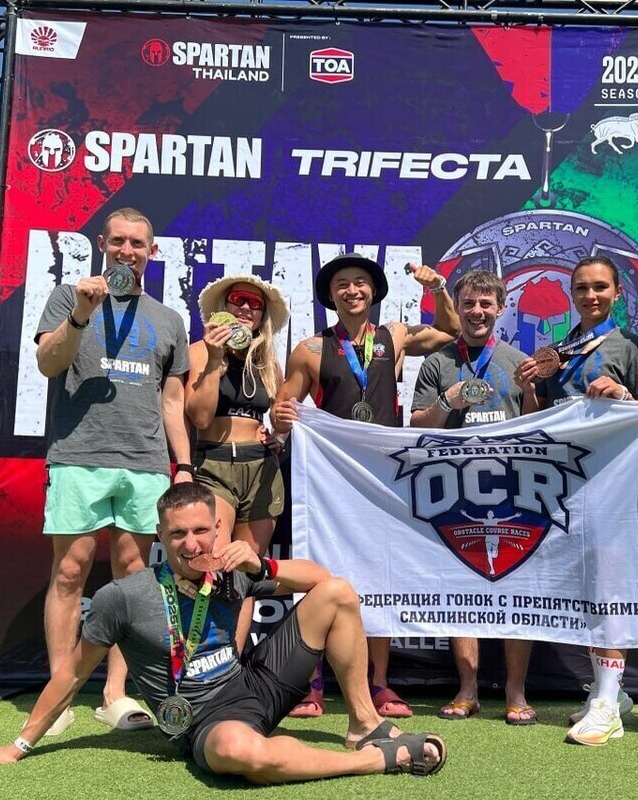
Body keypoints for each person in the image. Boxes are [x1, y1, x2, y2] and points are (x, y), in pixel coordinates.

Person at [0, 482, 447, 783]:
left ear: (216, 529)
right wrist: (18, 746)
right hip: (203, 719)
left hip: (257, 685)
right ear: (160, 536)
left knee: (338, 593)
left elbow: (324, 581)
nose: (191, 545)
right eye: (177, 534)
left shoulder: (233, 568)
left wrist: (262, 564)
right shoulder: (122, 597)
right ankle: (374, 761)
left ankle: (363, 725)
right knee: (236, 751)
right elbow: (72, 674)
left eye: (200, 531)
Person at [271, 253, 461, 719]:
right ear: (330, 295)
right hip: (328, 480)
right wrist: (281, 415)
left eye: (360, 282)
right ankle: (310, 683)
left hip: (382, 479)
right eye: (342, 284)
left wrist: (437, 287)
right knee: (317, 576)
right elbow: (282, 407)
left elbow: (451, 331)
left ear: (373, 292)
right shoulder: (310, 349)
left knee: (379, 577)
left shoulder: (394, 336)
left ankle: (378, 683)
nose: (352, 290)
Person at [33, 208, 192, 734]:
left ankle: (115, 694)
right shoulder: (69, 297)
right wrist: (81, 314)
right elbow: (48, 363)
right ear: (102, 244)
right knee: (70, 572)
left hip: (145, 461)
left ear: (152, 251)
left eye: (137, 244)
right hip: (79, 454)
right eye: (119, 241)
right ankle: (58, 697)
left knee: (132, 580)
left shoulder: (169, 319)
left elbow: (172, 402)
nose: (128, 251)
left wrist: (184, 465)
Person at [516, 255, 638, 746]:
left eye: (600, 287)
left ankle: (607, 703)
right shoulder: (558, 349)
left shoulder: (629, 344)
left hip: (614, 482)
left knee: (610, 584)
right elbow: (540, 418)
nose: (591, 296)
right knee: (588, 585)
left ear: (616, 292)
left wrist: (622, 395)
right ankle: (610, 691)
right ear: (572, 294)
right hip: (567, 483)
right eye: (582, 288)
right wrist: (528, 389)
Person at [408, 269, 540, 725]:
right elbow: (416, 425)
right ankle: (467, 690)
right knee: (461, 588)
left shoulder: (517, 360)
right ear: (458, 308)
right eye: (469, 303)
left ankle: (516, 691)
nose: (477, 312)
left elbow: (538, 427)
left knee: (516, 589)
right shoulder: (438, 362)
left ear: (500, 308)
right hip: (454, 488)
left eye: (486, 304)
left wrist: (531, 390)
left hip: (512, 489)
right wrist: (448, 402)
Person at [186, 275, 289, 653]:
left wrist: (279, 435)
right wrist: (216, 359)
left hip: (260, 469)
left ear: (263, 316)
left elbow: (280, 420)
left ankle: (232, 660)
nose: (246, 308)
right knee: (213, 564)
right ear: (224, 306)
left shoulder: (268, 362)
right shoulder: (200, 351)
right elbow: (199, 417)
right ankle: (203, 656)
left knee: (247, 570)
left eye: (255, 303)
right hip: (214, 464)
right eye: (238, 300)